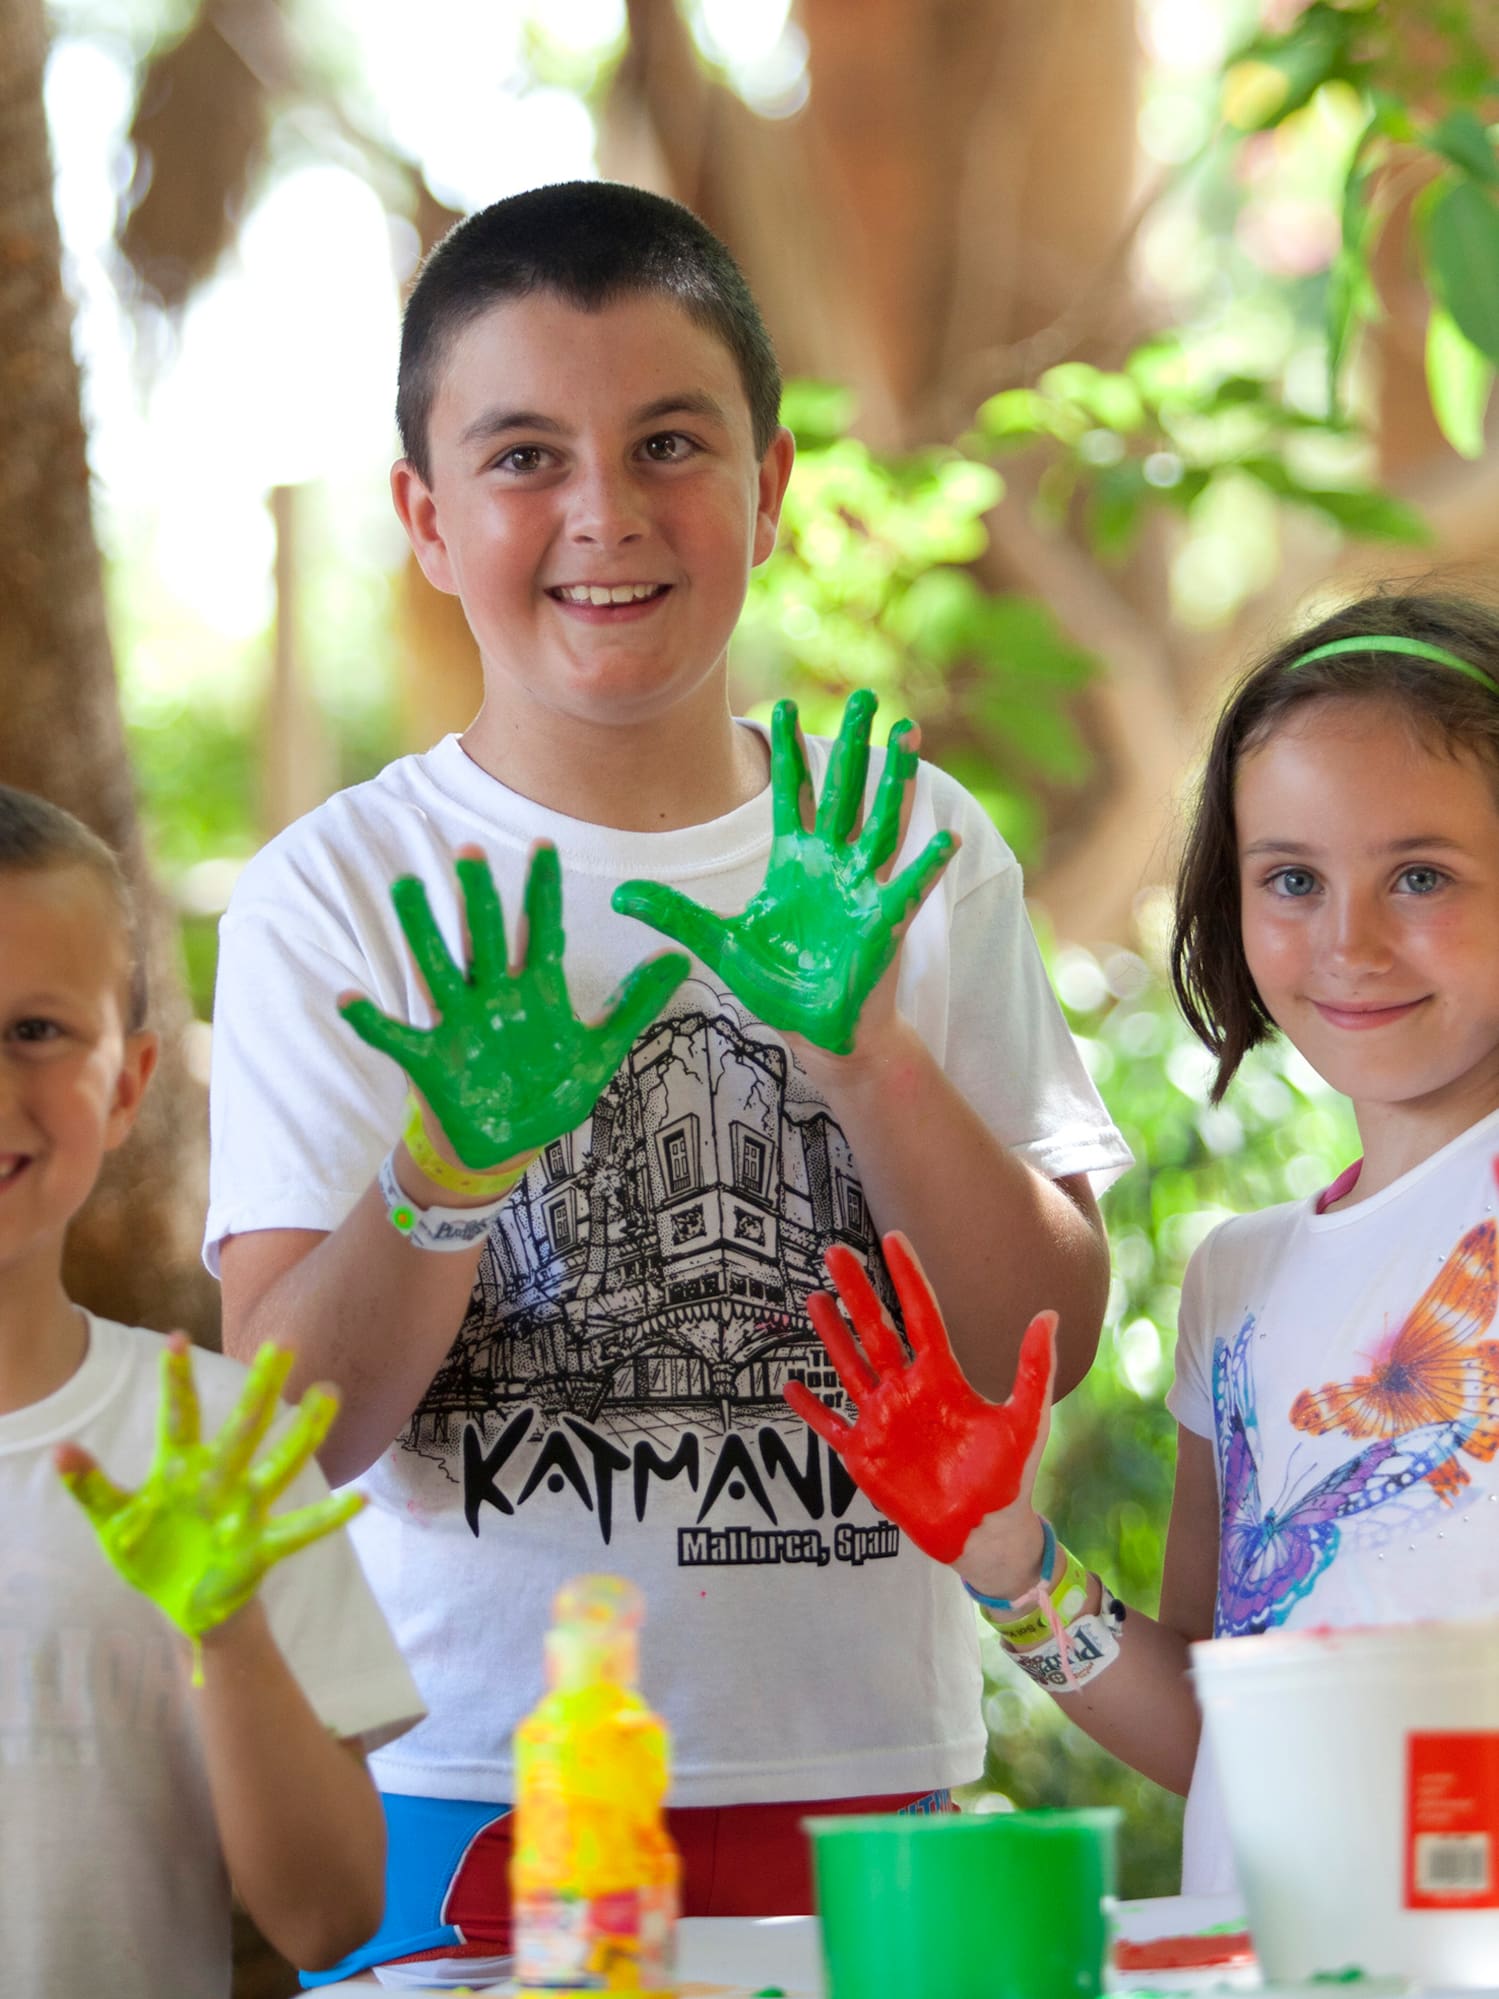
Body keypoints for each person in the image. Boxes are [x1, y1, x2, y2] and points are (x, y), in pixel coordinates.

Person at [205, 178, 1131, 1982]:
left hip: (872, 1793)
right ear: (423, 513)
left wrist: (862, 1060)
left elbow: (1048, 1336)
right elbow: (289, 1438)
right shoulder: (340, 891)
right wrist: (446, 1172)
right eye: (524, 454)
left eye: (667, 442)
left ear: (769, 485)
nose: (602, 514)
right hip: (463, 1803)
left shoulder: (900, 844)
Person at [790, 589, 1499, 1896]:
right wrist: (1006, 1555)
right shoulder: (1238, 1279)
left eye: (1418, 873)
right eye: (1289, 876)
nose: (1345, 937)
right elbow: (1217, 1734)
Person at [0, 784, 424, 1999]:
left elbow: (330, 1916)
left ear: (129, 1085)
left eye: (34, 1030)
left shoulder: (223, 1443)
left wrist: (228, 1634)